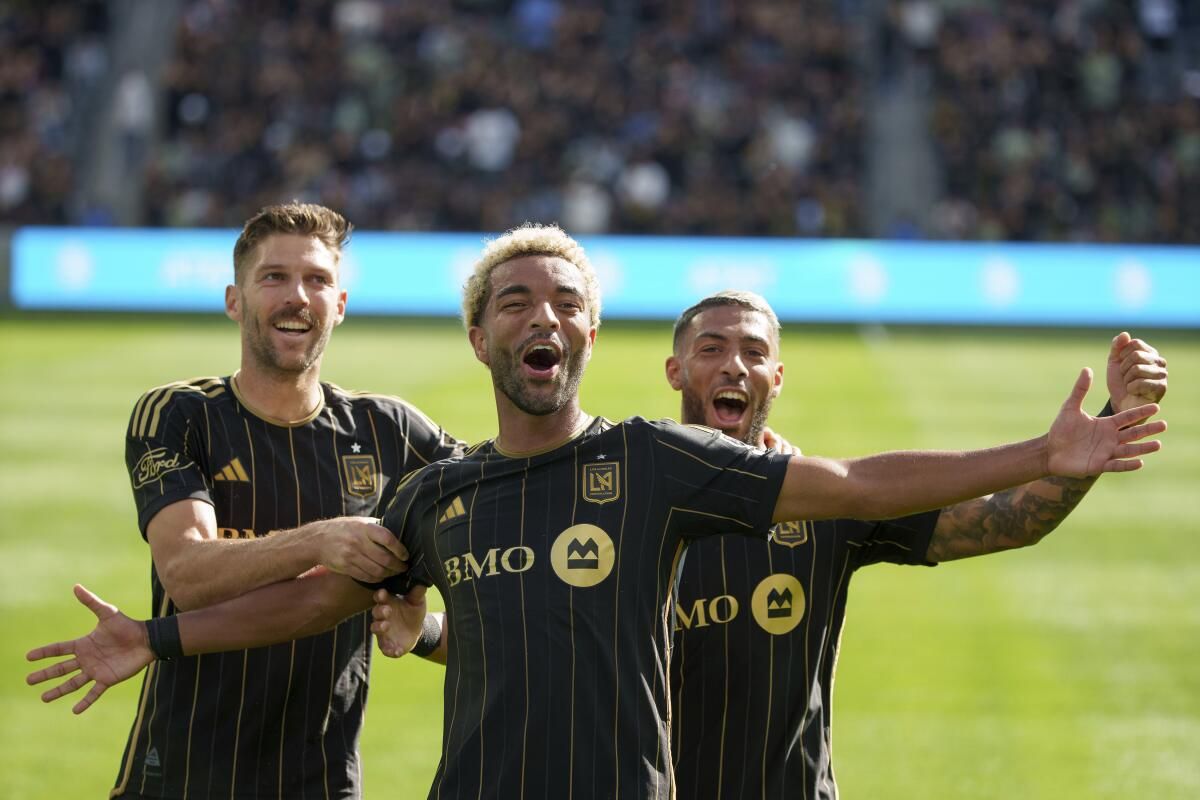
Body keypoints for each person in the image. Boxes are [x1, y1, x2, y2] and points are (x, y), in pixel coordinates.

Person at [27, 224, 1165, 799]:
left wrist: (1045, 451)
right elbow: (311, 602)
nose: (543, 315)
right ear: (480, 338)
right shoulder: (438, 491)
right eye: (514, 299)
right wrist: (158, 636)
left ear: (591, 335)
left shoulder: (659, 461)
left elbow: (857, 486)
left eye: (567, 299)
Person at [664, 290, 1169, 799]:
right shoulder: (634, 499)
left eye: (754, 353)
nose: (735, 366)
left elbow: (1012, 520)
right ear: (676, 371)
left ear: (776, 377)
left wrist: (1109, 418)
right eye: (711, 349)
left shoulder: (824, 506)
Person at [104, 202, 462, 799]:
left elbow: (511, 554)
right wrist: (324, 539)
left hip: (321, 781)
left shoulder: (392, 432)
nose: (297, 295)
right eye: (274, 277)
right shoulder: (178, 415)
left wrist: (421, 628)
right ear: (234, 301)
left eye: (318, 280)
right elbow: (187, 572)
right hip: (178, 776)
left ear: (339, 306)